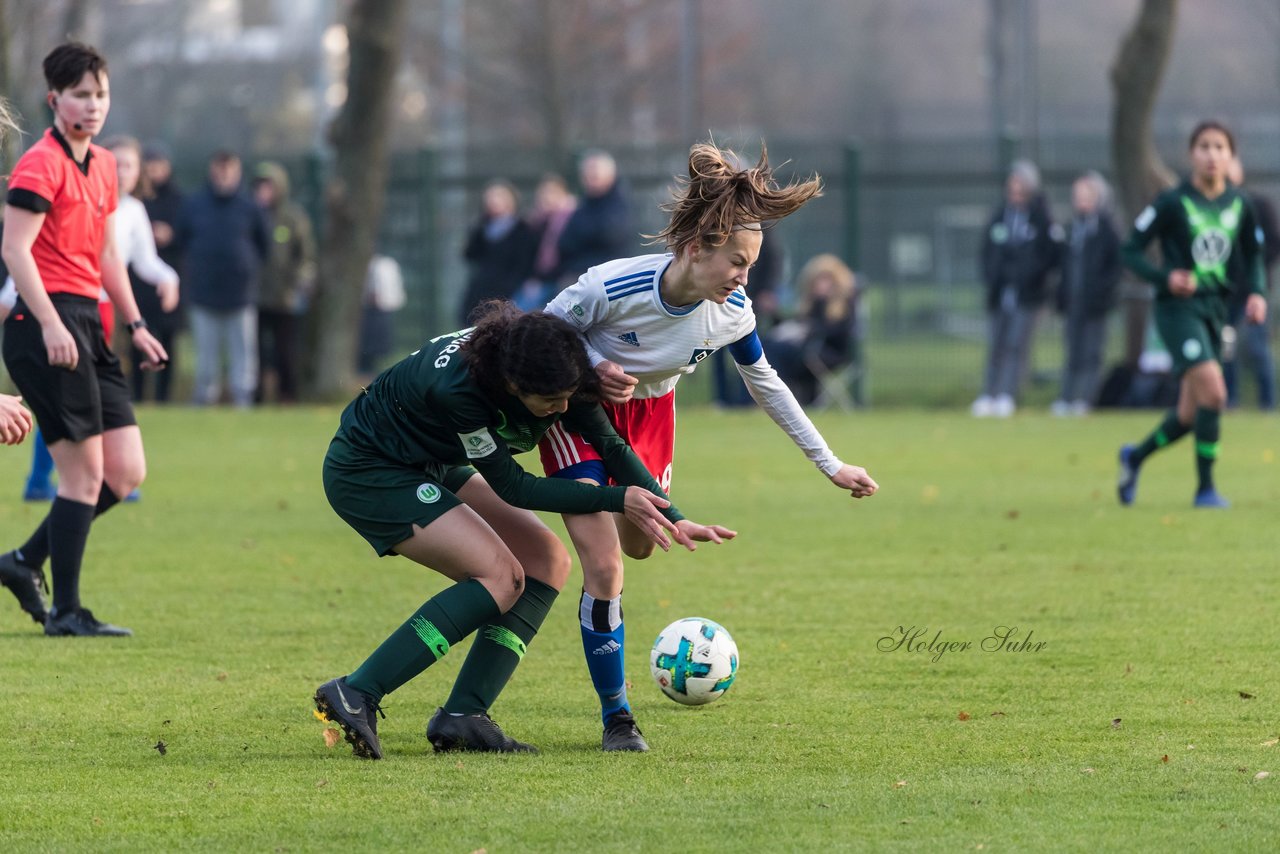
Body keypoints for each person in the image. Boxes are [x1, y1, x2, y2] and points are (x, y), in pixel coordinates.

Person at [538, 142, 879, 752]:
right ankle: (618, 717)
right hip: (577, 412)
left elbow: (767, 384)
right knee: (605, 565)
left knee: (639, 548)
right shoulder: (613, 285)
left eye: (751, 265)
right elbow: (543, 331)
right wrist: (590, 365)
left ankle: (606, 584)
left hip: (651, 419)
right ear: (696, 250)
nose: (746, 278)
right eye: (738, 263)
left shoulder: (732, 312)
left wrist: (829, 463)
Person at [314, 301, 732, 760]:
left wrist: (674, 514)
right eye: (551, 402)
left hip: (428, 461)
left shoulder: (556, 365)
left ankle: (465, 716)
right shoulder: (462, 390)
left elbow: (610, 444)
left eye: (569, 395)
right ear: (512, 386)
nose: (563, 408)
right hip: (370, 469)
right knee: (499, 577)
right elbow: (514, 486)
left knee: (546, 562)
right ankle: (358, 690)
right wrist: (617, 499)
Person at [0, 42, 168, 635]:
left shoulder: (101, 166)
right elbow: (14, 250)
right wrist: (48, 322)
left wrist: (136, 323)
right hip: (41, 324)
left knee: (124, 471)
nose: (93, 106)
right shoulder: (39, 165)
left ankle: (23, 562)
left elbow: (104, 254)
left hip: (87, 324)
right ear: (55, 100)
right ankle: (66, 613)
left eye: (100, 94)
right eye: (81, 95)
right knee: (82, 477)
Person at [1117, 120, 1266, 509]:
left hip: (1216, 310)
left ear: (1231, 156)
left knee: (1187, 414)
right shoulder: (1171, 201)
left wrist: (1258, 294)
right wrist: (1165, 277)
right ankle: (1205, 490)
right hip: (1177, 310)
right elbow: (1130, 250)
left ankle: (1134, 457)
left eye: (1220, 147)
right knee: (1215, 392)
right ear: (1191, 154)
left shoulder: (1240, 204)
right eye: (1204, 146)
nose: (1212, 154)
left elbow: (1253, 255)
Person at [175, 149, 270, 407]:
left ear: (238, 172)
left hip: (240, 295)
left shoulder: (250, 207)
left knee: (243, 355)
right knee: (206, 357)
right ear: (211, 170)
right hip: (203, 293)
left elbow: (264, 245)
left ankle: (243, 400)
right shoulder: (195, 205)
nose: (224, 175)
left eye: (229, 169)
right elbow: (181, 241)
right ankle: (204, 399)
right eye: (220, 169)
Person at [972, 159, 1061, 418]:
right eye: (1012, 185)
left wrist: (1036, 280)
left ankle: (1007, 395)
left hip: (1027, 295)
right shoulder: (999, 215)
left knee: (1016, 346)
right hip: (1000, 294)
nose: (1015, 191)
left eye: (1021, 186)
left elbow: (1050, 254)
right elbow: (987, 252)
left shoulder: (1040, 217)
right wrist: (992, 277)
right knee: (996, 345)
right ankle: (988, 394)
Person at [1051, 171, 1122, 416]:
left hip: (1096, 305)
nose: (1081, 199)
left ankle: (1086, 399)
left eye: (1086, 194)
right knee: (1073, 352)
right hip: (1073, 303)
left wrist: (1102, 293)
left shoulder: (1107, 229)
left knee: (1092, 353)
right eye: (1077, 194)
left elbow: (1116, 267)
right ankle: (1066, 398)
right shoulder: (1072, 229)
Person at [252, 161, 315, 404]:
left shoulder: (293, 218)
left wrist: (301, 281)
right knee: (255, 353)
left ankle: (287, 397)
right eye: (259, 186)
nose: (263, 192)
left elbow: (306, 256)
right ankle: (256, 398)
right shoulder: (250, 215)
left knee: (286, 353)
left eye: (268, 186)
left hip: (285, 298)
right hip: (254, 297)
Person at [762, 253, 860, 406]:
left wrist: (811, 329)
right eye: (818, 279)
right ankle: (765, 397)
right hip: (807, 349)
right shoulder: (811, 302)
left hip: (832, 353)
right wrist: (774, 314)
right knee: (768, 345)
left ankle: (774, 399)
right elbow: (798, 322)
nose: (821, 284)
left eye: (826, 279)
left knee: (779, 352)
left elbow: (841, 332)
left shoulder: (846, 303)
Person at [1223, 156, 1279, 410]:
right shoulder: (1216, 208)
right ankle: (1229, 401)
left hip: (1255, 292)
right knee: (1226, 348)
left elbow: (1274, 244)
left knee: (1258, 347)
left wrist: (1254, 267)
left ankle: (1267, 404)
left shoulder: (1259, 204)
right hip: (1225, 292)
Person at [132, 141, 185, 403]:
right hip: (137, 284)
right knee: (137, 337)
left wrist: (171, 235)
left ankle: (164, 396)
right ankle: (137, 394)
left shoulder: (179, 199)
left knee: (167, 340)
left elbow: (188, 233)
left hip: (168, 280)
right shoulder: (136, 200)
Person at [713, 225, 785, 407]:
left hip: (751, 301)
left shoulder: (765, 229)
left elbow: (774, 260)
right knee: (715, 349)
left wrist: (767, 290)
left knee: (747, 352)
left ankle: (745, 399)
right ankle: (722, 398)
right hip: (723, 297)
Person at [459, 179, 536, 325]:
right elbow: (470, 254)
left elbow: (525, 262)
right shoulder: (483, 228)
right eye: (490, 198)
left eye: (498, 197)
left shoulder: (522, 229)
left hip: (508, 289)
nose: (493, 202)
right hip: (481, 288)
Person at [555, 149, 634, 283]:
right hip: (577, 271)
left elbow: (610, 236)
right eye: (587, 173)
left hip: (605, 275)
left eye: (595, 171)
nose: (590, 176)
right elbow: (564, 243)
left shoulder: (619, 205)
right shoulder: (585, 204)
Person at [513, 174, 576, 311]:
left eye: (551, 193)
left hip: (560, 279)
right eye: (543, 194)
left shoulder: (570, 218)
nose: (546, 198)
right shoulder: (538, 221)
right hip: (540, 279)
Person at [356, 251, 406, 385]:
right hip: (372, 309)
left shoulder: (385, 265)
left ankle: (370, 367)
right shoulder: (381, 265)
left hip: (381, 308)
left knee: (377, 342)